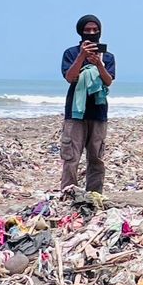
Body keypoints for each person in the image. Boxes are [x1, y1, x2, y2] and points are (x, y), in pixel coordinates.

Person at [61, 16, 115, 192]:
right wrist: (82, 56)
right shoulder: (70, 53)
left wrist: (99, 64)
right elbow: (70, 77)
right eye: (87, 30)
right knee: (71, 157)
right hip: (75, 113)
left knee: (96, 158)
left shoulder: (107, 56)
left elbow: (108, 81)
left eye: (95, 30)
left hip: (98, 113)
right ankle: (69, 193)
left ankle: (94, 195)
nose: (92, 33)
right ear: (80, 32)